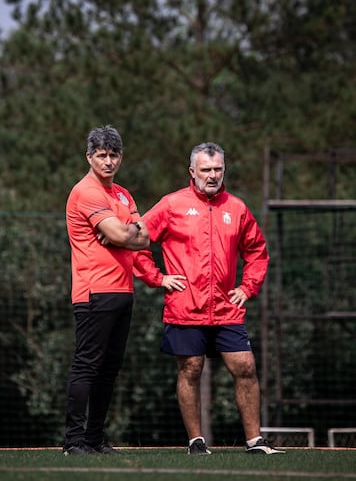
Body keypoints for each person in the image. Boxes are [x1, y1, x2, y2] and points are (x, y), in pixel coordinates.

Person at [133, 142, 285, 455]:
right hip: (185, 307)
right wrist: (158, 277)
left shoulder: (238, 208)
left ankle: (255, 442)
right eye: (206, 170)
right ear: (192, 171)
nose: (212, 175)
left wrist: (247, 287)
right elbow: (136, 242)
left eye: (217, 169)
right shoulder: (171, 204)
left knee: (246, 367)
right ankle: (195, 442)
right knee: (190, 370)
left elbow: (257, 252)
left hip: (227, 308)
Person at [63, 125, 149, 456]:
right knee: (87, 365)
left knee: (109, 368)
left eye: (114, 155)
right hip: (93, 291)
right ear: (89, 157)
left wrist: (126, 233)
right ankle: (73, 441)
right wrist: (126, 233)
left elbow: (144, 237)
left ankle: (94, 438)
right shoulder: (86, 191)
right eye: (101, 155)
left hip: (123, 290)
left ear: (121, 157)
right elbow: (128, 235)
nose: (108, 161)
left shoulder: (123, 195)